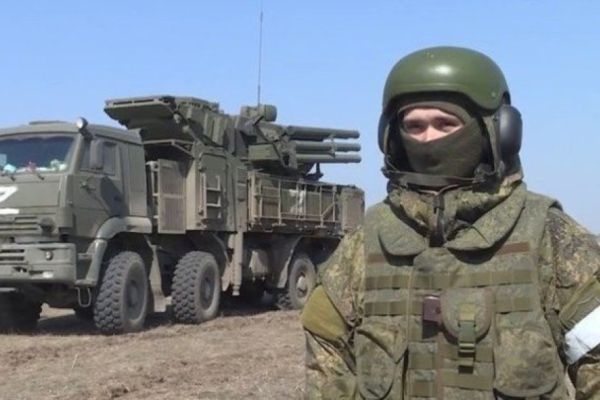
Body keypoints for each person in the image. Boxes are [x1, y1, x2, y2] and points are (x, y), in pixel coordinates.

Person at [301, 46, 600, 399]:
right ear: (392, 137)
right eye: (414, 126)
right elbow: (326, 350)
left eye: (446, 123)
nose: (429, 139)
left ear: (499, 131)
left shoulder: (550, 237)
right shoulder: (367, 243)